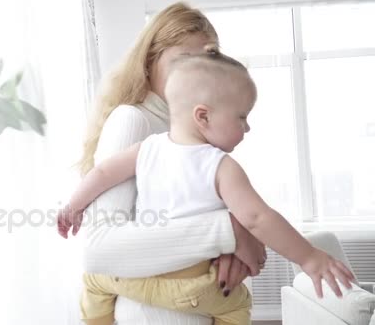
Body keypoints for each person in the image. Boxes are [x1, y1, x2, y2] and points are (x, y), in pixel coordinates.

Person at [59, 49, 355, 324]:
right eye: (242, 117)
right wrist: (309, 257)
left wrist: (74, 206)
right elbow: (257, 219)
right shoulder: (221, 166)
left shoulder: (146, 149)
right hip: (195, 287)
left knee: (94, 281)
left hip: (138, 278)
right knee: (238, 306)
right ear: (203, 116)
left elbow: (103, 172)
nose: (247, 127)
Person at [67, 2, 266, 325]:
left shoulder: (191, 132)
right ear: (149, 62)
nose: (195, 73)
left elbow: (189, 215)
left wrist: (230, 252)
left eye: (207, 61)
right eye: (184, 60)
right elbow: (99, 250)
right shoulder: (133, 120)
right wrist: (229, 230)